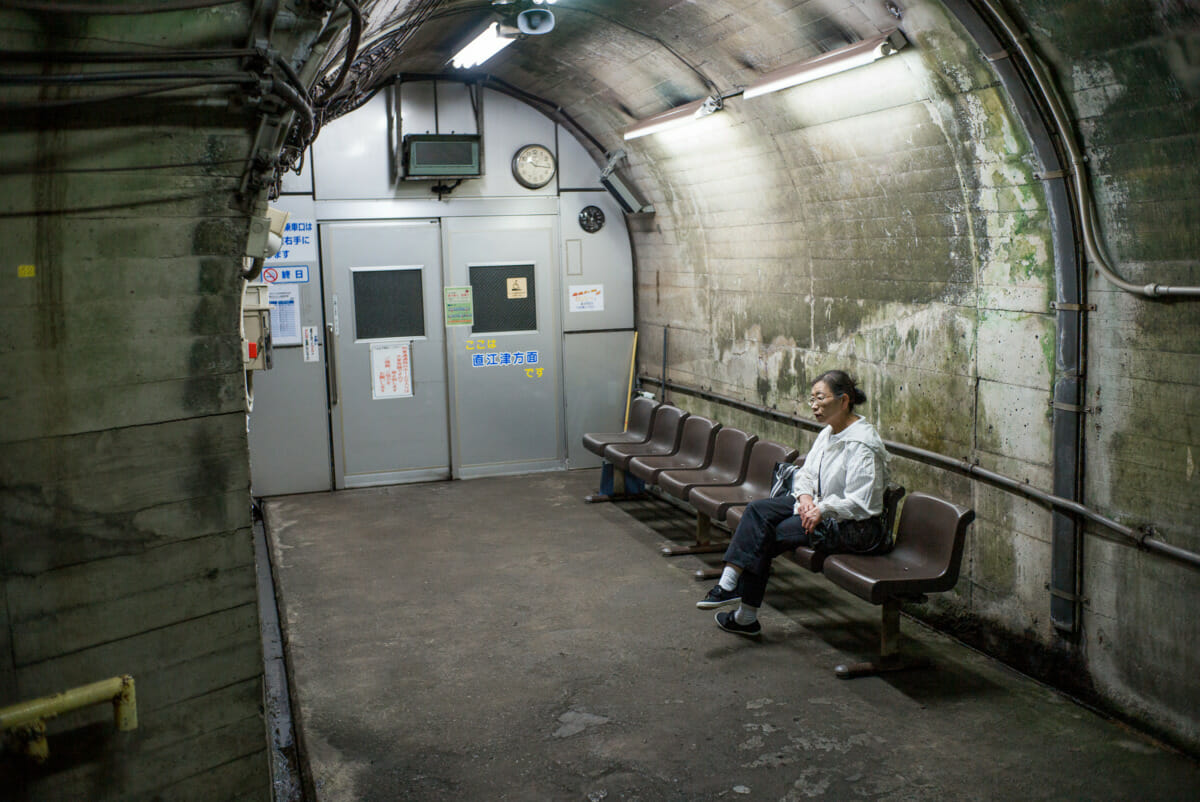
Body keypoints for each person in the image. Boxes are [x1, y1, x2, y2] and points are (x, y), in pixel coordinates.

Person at [697, 370, 891, 637]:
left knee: (767, 533)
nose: (813, 406)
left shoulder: (863, 444)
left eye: (820, 398)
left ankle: (745, 616)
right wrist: (805, 498)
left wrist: (822, 509)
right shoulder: (828, 433)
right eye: (811, 399)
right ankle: (728, 584)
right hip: (819, 508)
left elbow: (863, 503)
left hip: (852, 527)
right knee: (756, 511)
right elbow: (806, 474)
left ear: (844, 401)